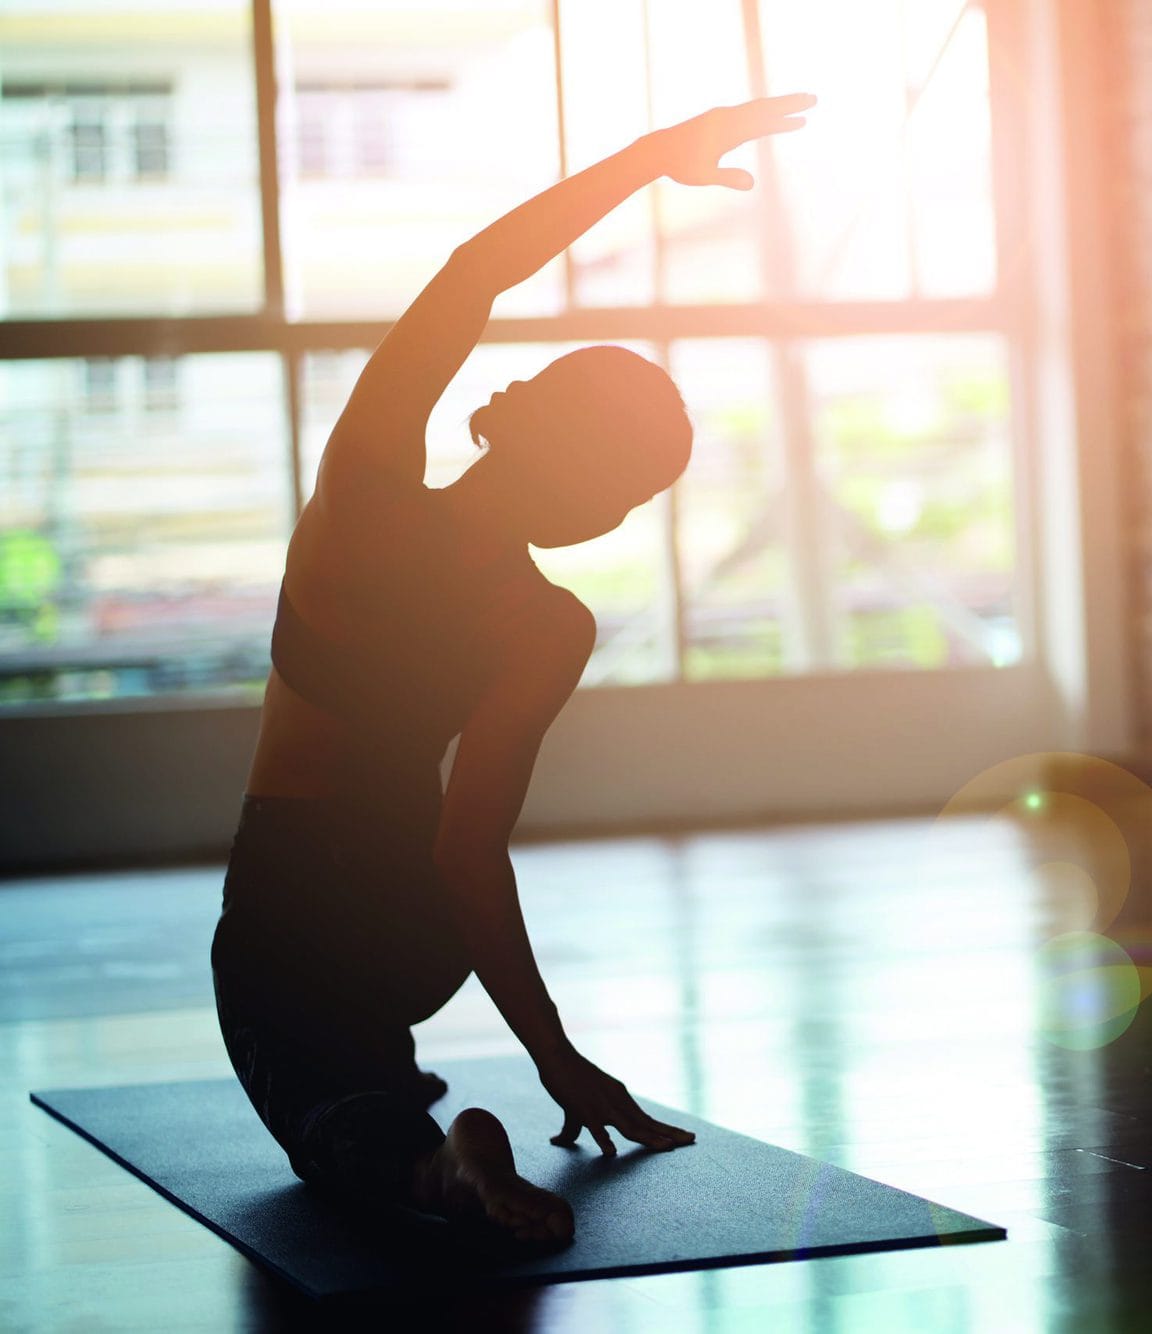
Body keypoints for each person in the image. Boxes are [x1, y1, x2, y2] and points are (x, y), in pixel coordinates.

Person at [209, 92, 816, 1245]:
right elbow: (466, 852)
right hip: (415, 926)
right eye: (630, 492)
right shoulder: (546, 624)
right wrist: (556, 1055)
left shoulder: (363, 501)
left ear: (523, 416)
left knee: (327, 1129)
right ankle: (419, 1111)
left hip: (290, 903)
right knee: (370, 1059)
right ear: (594, 500)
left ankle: (438, 1164)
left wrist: (646, 159)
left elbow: (473, 273)